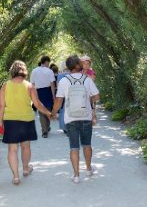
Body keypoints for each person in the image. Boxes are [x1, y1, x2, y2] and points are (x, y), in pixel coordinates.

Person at [0, 60, 54, 185]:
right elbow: (37, 104)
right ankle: (25, 168)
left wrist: (0, 122)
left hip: (10, 120)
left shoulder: (5, 86)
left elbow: (2, 106)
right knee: (25, 146)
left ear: (12, 71)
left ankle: (16, 177)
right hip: (26, 120)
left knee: (12, 149)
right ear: (24, 71)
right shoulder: (29, 86)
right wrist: (48, 113)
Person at [52, 55, 100, 184]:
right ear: (79, 65)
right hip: (86, 117)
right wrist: (87, 100)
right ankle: (89, 169)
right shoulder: (87, 79)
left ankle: (76, 175)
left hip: (71, 118)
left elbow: (58, 100)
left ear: (68, 67)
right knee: (87, 144)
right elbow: (96, 96)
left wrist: (53, 113)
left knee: (74, 147)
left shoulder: (63, 81)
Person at [30, 56, 56, 138]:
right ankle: (47, 127)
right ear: (46, 62)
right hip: (47, 91)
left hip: (38, 92)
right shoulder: (49, 71)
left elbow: (32, 84)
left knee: (41, 112)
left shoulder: (34, 71)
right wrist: (53, 95)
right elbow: (52, 85)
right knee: (48, 110)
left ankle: (44, 131)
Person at [55, 61, 69, 133]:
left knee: (62, 110)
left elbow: (58, 86)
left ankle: (64, 126)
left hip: (62, 94)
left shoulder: (60, 75)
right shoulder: (72, 73)